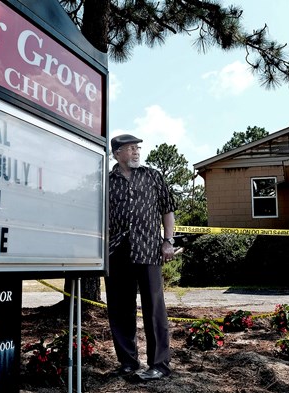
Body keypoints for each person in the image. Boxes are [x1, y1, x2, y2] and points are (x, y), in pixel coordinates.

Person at [106, 134, 176, 381]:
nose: (136, 152)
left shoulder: (152, 176)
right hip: (117, 251)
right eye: (130, 148)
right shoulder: (106, 181)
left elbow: (167, 209)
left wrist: (168, 241)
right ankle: (127, 361)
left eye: (137, 148)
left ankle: (159, 364)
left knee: (154, 309)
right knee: (120, 309)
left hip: (148, 250)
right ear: (117, 153)